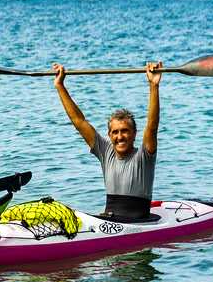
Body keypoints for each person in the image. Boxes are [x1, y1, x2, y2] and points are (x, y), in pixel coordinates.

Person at [53, 60, 162, 221]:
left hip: (139, 223)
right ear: (109, 135)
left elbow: (152, 126)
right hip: (108, 221)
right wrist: (60, 86)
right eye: (115, 132)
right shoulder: (105, 151)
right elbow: (79, 121)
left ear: (134, 134)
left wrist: (153, 86)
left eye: (125, 131)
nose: (120, 136)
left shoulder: (145, 156)